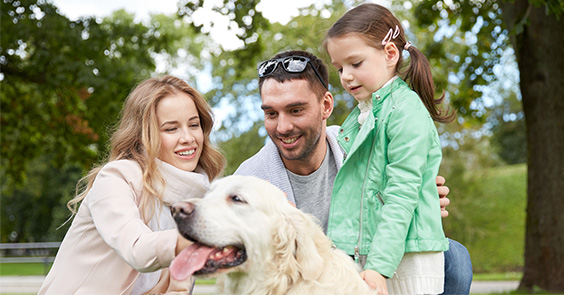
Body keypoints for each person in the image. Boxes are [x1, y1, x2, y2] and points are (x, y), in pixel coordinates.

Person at [235, 49, 472, 294]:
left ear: (326, 106)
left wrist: (422, 198)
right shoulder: (247, 182)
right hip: (300, 282)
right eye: (271, 113)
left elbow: (400, 194)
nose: (282, 127)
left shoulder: (364, 144)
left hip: (362, 266)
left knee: (455, 259)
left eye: (296, 110)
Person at [39, 75, 226, 294]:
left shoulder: (194, 195)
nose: (188, 138)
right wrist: (201, 236)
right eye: (171, 129)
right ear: (143, 135)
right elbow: (137, 248)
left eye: (194, 125)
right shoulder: (116, 178)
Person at [323, 3, 460, 294]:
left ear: (389, 54)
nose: (346, 76)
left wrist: (378, 266)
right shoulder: (364, 115)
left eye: (355, 63)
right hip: (377, 257)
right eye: (339, 68)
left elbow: (401, 194)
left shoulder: (404, 111)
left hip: (407, 260)